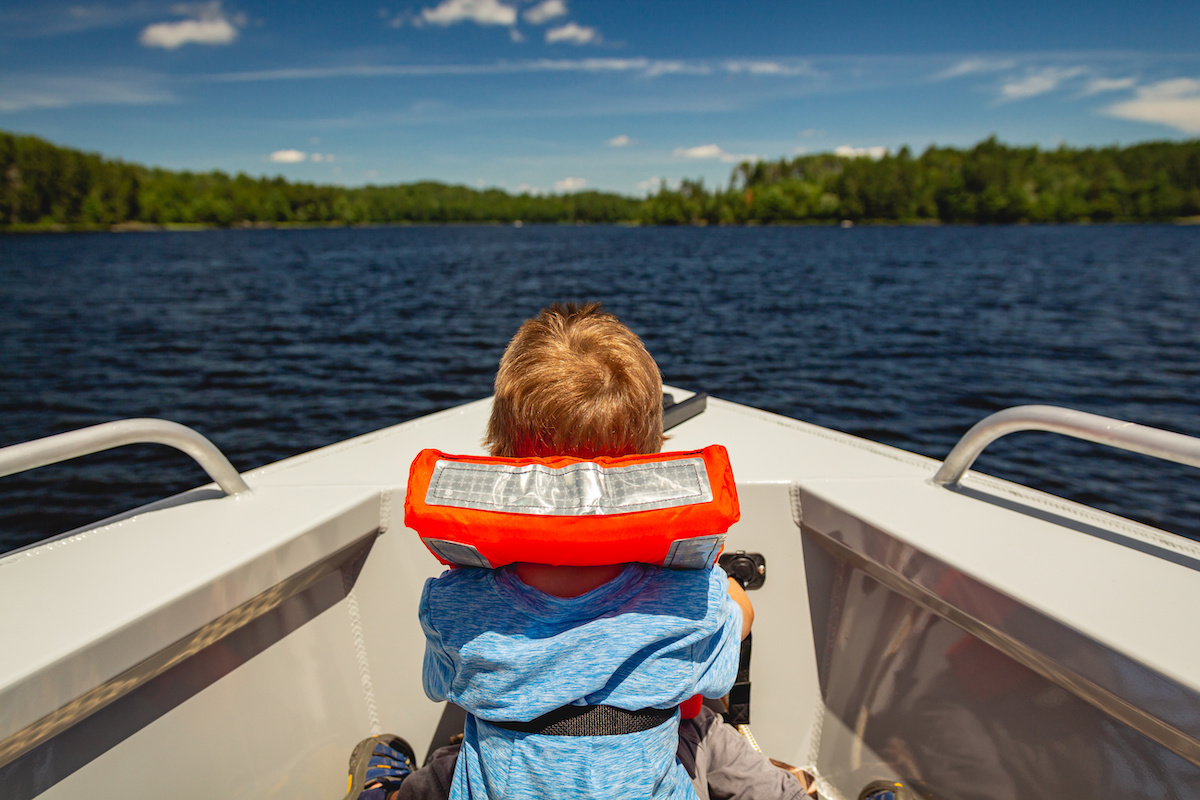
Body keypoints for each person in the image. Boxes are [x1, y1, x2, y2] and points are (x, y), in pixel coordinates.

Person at [345, 303, 809, 800]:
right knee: (700, 732)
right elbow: (724, 662)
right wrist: (729, 595)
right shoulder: (695, 601)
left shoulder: (454, 603)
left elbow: (441, 684)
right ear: (649, 463)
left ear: (503, 458)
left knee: (452, 764)